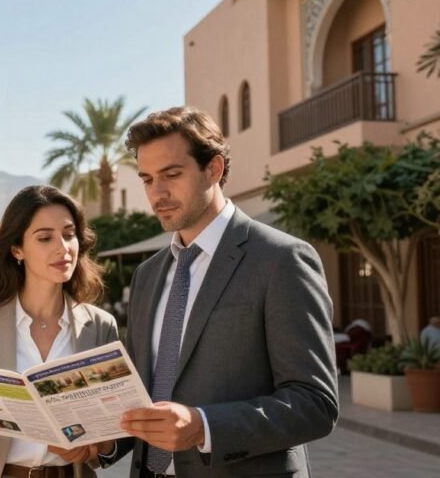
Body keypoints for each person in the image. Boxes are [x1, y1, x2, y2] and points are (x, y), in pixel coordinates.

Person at [103, 107, 338, 478]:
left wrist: (204, 426)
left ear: (213, 169)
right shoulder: (147, 276)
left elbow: (315, 403)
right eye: (147, 179)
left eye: (172, 174)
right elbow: (144, 395)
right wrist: (104, 443)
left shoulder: (281, 259)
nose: (157, 193)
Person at [0, 185, 120, 478]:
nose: (63, 247)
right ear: (17, 249)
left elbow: (115, 431)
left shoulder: (101, 326)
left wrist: (96, 446)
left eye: (69, 235)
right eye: (45, 238)